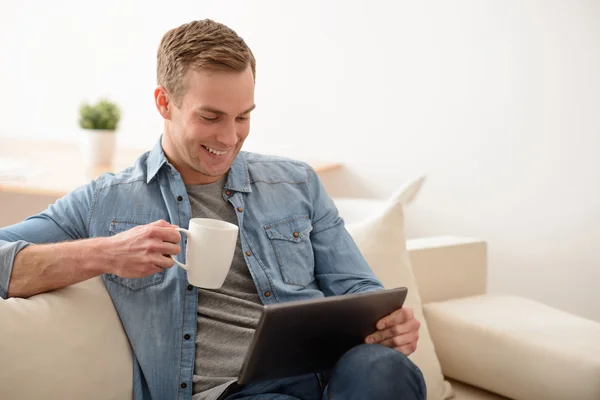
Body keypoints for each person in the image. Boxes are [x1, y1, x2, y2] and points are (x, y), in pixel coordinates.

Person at [0, 19, 425, 400]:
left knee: (385, 369)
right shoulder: (105, 201)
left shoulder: (297, 182)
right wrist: (106, 253)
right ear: (165, 103)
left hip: (332, 379)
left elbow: (360, 292)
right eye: (211, 117)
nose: (229, 136)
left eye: (243, 116)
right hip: (231, 393)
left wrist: (390, 325)